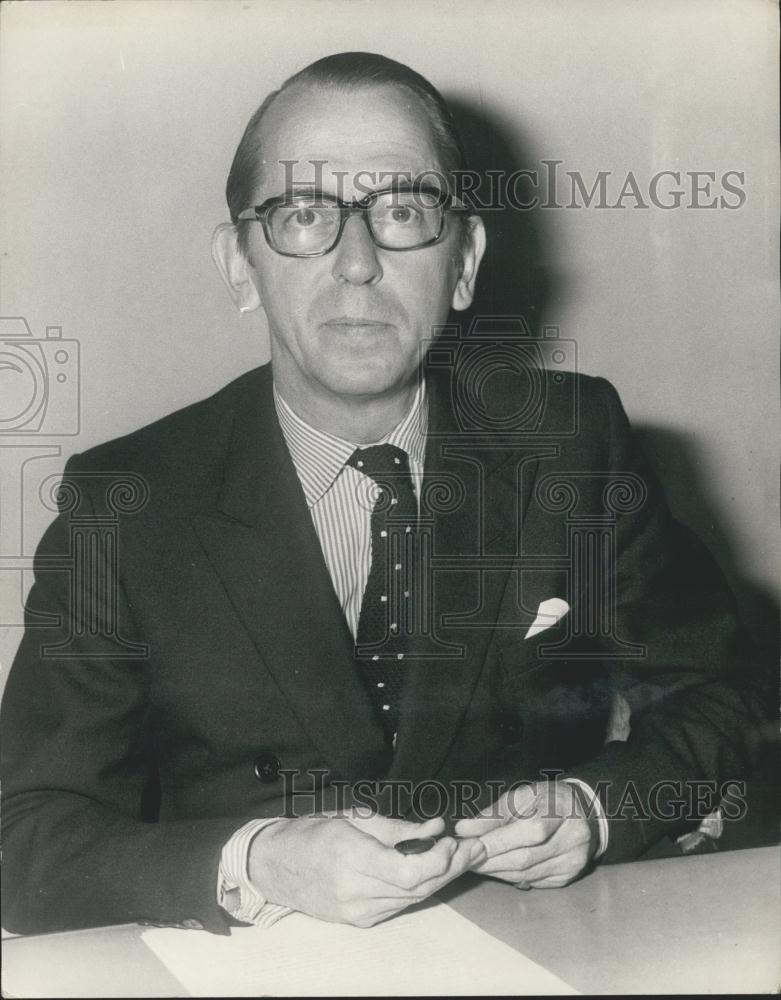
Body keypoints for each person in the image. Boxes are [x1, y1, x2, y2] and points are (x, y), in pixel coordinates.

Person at [1, 52, 767, 936]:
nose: (356, 263)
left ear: (466, 260)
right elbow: (28, 840)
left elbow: (730, 696)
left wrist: (597, 810)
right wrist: (255, 862)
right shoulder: (124, 504)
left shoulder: (572, 442)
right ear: (240, 266)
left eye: (402, 210)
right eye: (303, 215)